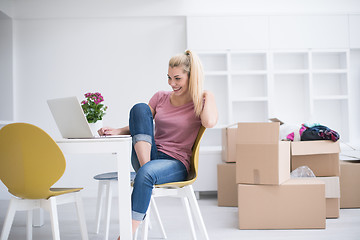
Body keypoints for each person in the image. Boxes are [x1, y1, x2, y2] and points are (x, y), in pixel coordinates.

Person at [98, 50, 218, 239]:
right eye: (169, 77)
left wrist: (208, 94)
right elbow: (141, 123)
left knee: (146, 174)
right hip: (148, 154)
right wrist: (118, 131)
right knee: (140, 108)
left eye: (177, 78)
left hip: (176, 163)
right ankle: (147, 171)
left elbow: (209, 122)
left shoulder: (200, 101)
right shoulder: (161, 97)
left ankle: (126, 235)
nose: (172, 83)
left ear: (191, 76)